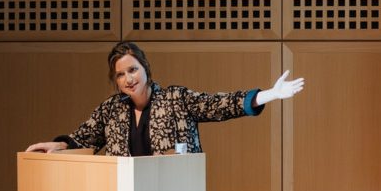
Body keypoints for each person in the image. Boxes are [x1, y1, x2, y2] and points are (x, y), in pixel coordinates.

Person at [25, 42, 305, 156]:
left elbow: (220, 105)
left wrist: (271, 94)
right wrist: (60, 144)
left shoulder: (175, 99)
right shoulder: (111, 110)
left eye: (133, 70)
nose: (128, 79)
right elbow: (84, 138)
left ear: (145, 69)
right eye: (120, 75)